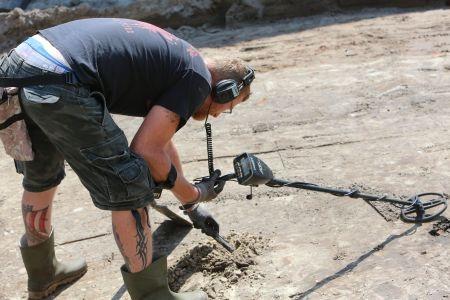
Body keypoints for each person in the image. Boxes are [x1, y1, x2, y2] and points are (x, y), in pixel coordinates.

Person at [0, 18, 253, 299]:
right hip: (62, 80)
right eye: (228, 106)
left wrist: (191, 205)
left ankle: (43, 276)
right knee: (129, 185)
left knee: (42, 175)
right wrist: (197, 192)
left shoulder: (181, 62)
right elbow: (146, 150)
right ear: (224, 88)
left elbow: (160, 142)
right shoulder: (197, 81)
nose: (218, 115)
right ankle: (152, 295)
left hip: (20, 66)